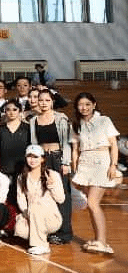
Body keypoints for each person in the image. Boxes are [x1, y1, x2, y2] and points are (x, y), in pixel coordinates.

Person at [71, 92, 120, 255]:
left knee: (93, 203)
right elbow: (75, 149)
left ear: (94, 104)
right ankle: (98, 239)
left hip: (101, 161)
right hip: (85, 163)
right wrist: (76, 169)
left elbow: (114, 145)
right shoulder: (76, 124)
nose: (84, 108)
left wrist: (113, 165)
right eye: (80, 105)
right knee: (90, 205)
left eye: (87, 104)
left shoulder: (104, 120)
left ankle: (103, 242)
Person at [28, 89, 73, 245]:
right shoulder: (34, 120)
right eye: (41, 100)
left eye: (47, 100)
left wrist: (66, 162)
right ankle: (48, 230)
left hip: (58, 158)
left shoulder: (61, 118)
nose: (43, 103)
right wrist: (35, 160)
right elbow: (34, 143)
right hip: (42, 159)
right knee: (44, 194)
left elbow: (66, 143)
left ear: (52, 101)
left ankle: (64, 233)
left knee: (62, 195)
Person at [15, 145, 64, 255]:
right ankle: (40, 237)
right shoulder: (22, 177)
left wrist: (52, 186)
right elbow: (21, 199)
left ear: (42, 159)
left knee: (36, 206)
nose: (32, 160)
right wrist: (27, 214)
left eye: (35, 157)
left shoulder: (53, 175)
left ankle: (41, 245)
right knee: (20, 229)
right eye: (29, 156)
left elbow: (61, 199)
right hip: (31, 215)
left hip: (51, 218)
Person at [0, 99, 30, 207]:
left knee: (22, 198)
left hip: (23, 169)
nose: (11, 112)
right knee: (7, 199)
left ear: (20, 111)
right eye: (8, 110)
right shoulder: (0, 129)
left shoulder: (27, 128)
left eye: (15, 109)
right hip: (5, 169)